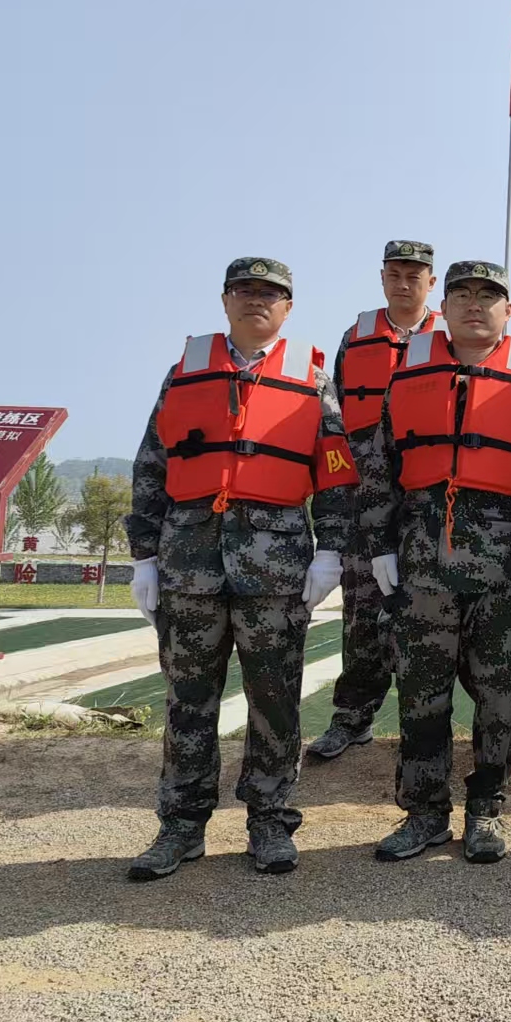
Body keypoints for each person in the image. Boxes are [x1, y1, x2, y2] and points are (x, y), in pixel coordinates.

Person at [124, 257, 357, 880]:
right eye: (245, 291)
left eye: (271, 294)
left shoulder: (311, 378)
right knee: (188, 701)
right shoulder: (184, 373)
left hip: (275, 568)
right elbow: (152, 464)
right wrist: (143, 555)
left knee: (274, 699)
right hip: (188, 564)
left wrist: (331, 549)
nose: (258, 301)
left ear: (288, 307)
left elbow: (335, 470)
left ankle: (270, 819)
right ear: (225, 300)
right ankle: (181, 825)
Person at [357, 260, 511, 863]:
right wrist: (378, 543)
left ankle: (487, 807)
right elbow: (380, 466)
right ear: (442, 307)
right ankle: (424, 813)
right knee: (422, 693)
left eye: (488, 296)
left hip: (503, 567)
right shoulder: (408, 374)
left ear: (508, 310)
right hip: (422, 562)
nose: (475, 305)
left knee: (499, 696)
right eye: (462, 295)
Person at [308, 240, 440, 762]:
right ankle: (352, 719)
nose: (404, 284)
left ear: (431, 282)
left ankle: (424, 726)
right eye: (395, 274)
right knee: (363, 613)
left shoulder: (449, 335)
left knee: (431, 614)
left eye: (415, 275)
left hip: (428, 495)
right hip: (365, 499)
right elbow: (336, 416)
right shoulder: (355, 337)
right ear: (382, 278)